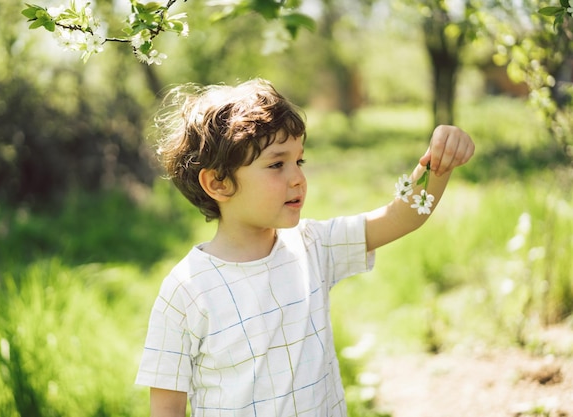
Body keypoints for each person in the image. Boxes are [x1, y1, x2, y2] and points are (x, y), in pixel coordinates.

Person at [135, 78, 475, 417]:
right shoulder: (186, 291)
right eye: (276, 164)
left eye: (299, 162)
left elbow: (402, 216)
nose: (297, 178)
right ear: (218, 183)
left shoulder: (312, 246)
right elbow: (167, 408)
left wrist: (437, 164)